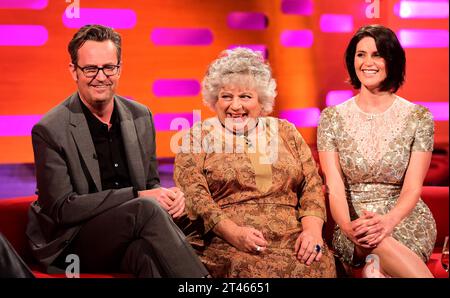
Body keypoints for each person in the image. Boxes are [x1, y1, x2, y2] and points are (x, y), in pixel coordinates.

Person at [26, 24, 208, 278]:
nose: (101, 77)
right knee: (144, 208)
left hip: (129, 232)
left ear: (119, 69)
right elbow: (61, 209)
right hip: (73, 242)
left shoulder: (140, 116)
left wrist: (167, 196)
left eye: (109, 67)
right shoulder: (50, 129)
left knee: (146, 255)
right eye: (90, 68)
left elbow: (150, 183)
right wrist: (138, 195)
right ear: (73, 71)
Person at [173, 48, 336, 278]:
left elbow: (311, 186)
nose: (235, 106)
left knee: (318, 264)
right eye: (226, 96)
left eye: (245, 97)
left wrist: (312, 232)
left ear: (262, 100)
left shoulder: (286, 131)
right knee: (252, 271)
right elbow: (194, 195)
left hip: (293, 237)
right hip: (226, 241)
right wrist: (234, 233)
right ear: (214, 99)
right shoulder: (197, 136)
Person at [317, 24, 436, 278]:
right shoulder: (332, 118)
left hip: (404, 219)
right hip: (353, 220)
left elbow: (413, 187)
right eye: (361, 54)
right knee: (371, 251)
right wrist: (348, 227)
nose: (367, 62)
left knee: (375, 271)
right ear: (352, 60)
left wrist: (388, 222)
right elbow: (335, 186)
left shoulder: (418, 117)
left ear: (392, 60)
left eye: (377, 54)